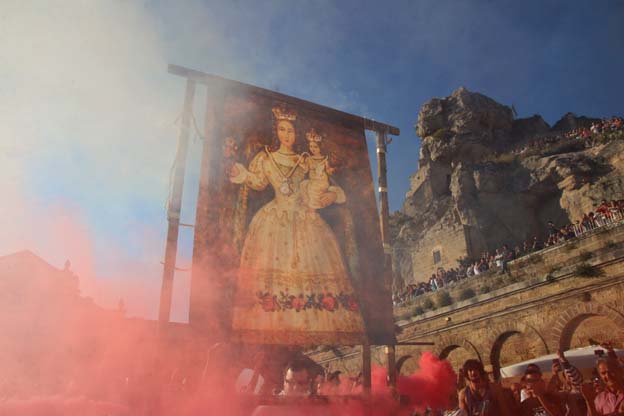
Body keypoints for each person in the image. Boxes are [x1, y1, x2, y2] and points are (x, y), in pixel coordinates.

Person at [229, 104, 365, 345]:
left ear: (297, 133)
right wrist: (243, 175)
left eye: (290, 130)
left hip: (306, 220)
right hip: (272, 222)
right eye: (282, 129)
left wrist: (332, 194)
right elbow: (259, 182)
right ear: (276, 131)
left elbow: (319, 185)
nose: (286, 134)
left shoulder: (306, 161)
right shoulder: (265, 158)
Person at [301, 128, 335, 210]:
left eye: (315, 147)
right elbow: (305, 170)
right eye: (311, 146)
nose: (312, 149)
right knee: (303, 184)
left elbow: (327, 170)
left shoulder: (325, 159)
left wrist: (331, 170)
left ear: (320, 147)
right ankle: (308, 204)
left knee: (312, 188)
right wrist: (300, 163)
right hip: (313, 180)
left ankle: (315, 206)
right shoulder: (308, 159)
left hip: (322, 181)